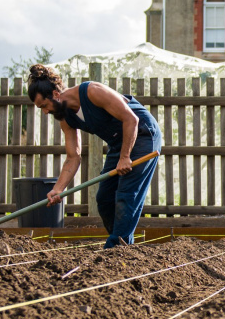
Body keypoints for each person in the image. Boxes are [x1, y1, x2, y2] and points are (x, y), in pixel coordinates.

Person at [27, 64, 162, 249]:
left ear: (54, 94)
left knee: (127, 194)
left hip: (142, 135)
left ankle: (116, 247)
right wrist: (58, 189)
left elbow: (132, 119)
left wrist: (125, 157)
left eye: (44, 105)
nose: (44, 112)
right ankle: (123, 246)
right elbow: (73, 157)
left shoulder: (92, 91)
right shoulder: (65, 117)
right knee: (104, 198)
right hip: (119, 144)